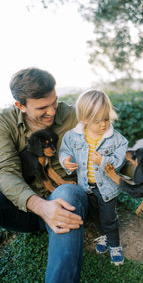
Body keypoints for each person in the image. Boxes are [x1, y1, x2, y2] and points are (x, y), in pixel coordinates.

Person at [0, 67, 88, 283]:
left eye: (54, 102)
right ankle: (48, 220)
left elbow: (107, 145)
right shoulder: (5, 123)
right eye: (42, 107)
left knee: (65, 194)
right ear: (20, 106)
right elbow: (6, 171)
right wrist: (42, 207)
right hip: (26, 208)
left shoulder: (71, 115)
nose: (52, 111)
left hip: (65, 195)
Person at [59, 89, 128, 266]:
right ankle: (103, 237)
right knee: (95, 216)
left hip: (107, 188)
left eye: (106, 118)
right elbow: (66, 151)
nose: (104, 124)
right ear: (84, 119)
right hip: (86, 187)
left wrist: (105, 160)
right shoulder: (73, 137)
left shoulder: (115, 139)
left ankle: (114, 245)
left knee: (108, 218)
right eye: (98, 121)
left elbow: (120, 158)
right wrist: (65, 162)